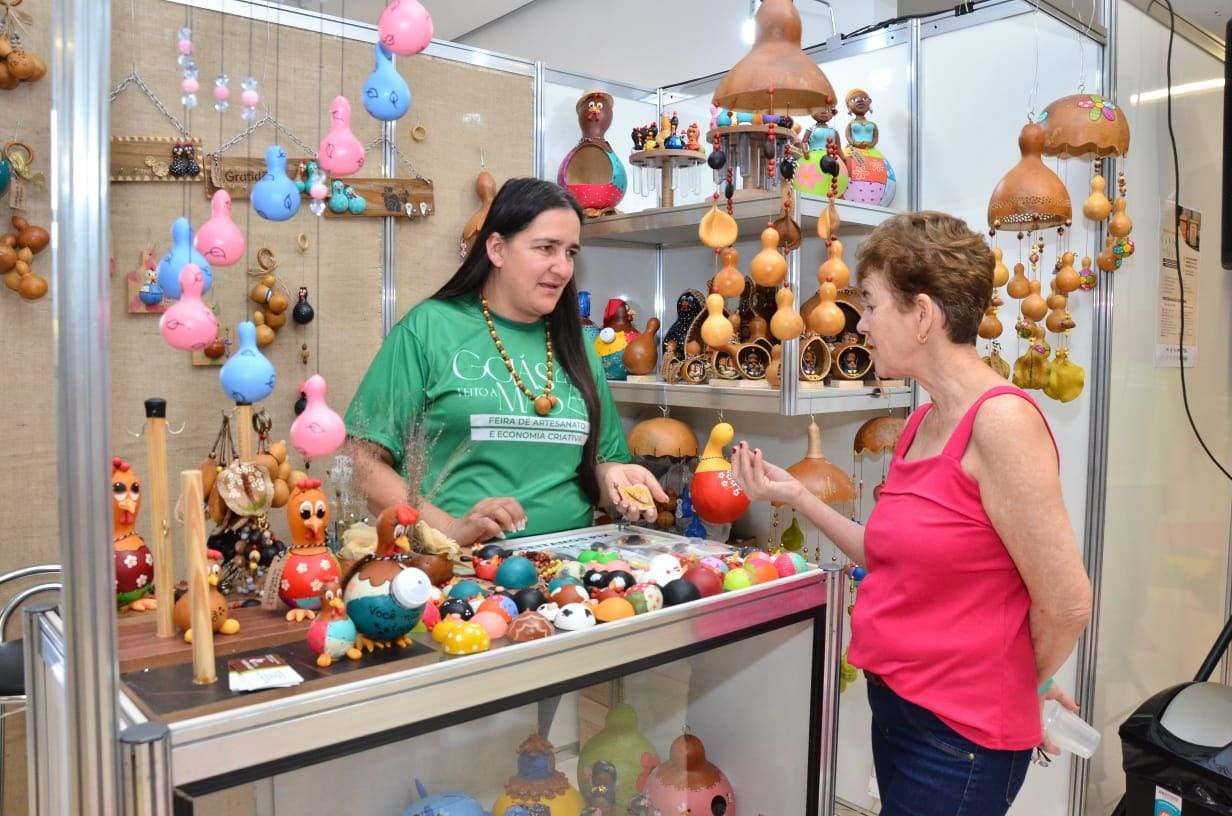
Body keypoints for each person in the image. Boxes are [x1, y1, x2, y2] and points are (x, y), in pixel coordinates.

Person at [731, 211, 1093, 816]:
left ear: (922, 315)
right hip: (898, 707)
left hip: (960, 739)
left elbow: (1068, 602)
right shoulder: (924, 421)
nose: (862, 323)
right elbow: (889, 556)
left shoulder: (1001, 423)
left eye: (871, 305)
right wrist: (796, 497)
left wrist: (1020, 679)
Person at [345, 178, 666, 547]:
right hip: (456, 569)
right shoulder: (430, 328)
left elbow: (602, 462)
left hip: (571, 567)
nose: (562, 268)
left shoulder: (576, 345)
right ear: (497, 249)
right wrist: (449, 530)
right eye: (546, 248)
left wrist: (619, 478)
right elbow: (359, 460)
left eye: (570, 253)